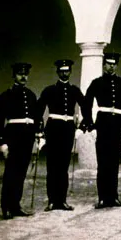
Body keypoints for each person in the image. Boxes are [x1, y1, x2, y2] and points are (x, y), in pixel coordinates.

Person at [81, 52, 121, 209]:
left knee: (114, 163)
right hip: (102, 125)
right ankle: (103, 198)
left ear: (116, 65)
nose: (111, 66)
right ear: (104, 65)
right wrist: (91, 126)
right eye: (109, 64)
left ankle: (114, 196)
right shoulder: (97, 83)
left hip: (117, 125)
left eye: (114, 64)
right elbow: (86, 105)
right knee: (103, 163)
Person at [0, 62, 41, 219]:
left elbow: (37, 118)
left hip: (27, 138)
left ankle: (16, 205)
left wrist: (40, 135)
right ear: (14, 76)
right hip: (13, 138)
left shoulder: (32, 95)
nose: (23, 77)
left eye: (26, 74)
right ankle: (6, 207)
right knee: (11, 173)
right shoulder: (6, 96)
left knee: (21, 173)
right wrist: (1, 142)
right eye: (20, 74)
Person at [37, 59, 85, 211]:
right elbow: (38, 111)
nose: (65, 73)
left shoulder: (74, 91)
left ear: (70, 72)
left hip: (68, 130)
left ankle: (62, 200)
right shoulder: (49, 90)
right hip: (53, 129)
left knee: (64, 166)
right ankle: (52, 201)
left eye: (67, 71)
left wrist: (81, 127)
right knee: (52, 167)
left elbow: (87, 107)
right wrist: (40, 133)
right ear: (58, 72)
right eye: (62, 71)